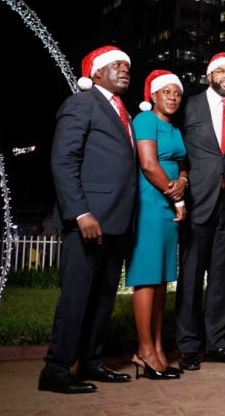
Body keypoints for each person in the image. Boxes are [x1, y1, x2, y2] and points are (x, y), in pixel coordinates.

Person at [39, 46, 137, 394]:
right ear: (96, 73)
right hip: (89, 219)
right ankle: (56, 370)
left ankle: (92, 362)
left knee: (103, 297)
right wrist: (80, 212)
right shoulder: (81, 103)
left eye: (126, 66)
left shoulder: (122, 111)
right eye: (116, 65)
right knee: (77, 297)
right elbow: (63, 160)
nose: (124, 70)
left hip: (118, 221)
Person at [177, 53, 225, 371]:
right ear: (210, 76)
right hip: (197, 199)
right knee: (191, 277)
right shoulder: (189, 106)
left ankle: (217, 343)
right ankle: (188, 346)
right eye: (220, 71)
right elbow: (176, 149)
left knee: (222, 277)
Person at [126, 70, 187, 379]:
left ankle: (158, 348)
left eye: (177, 93)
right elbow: (149, 165)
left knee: (162, 279)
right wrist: (177, 198)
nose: (173, 97)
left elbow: (181, 164)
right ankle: (144, 350)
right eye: (166, 92)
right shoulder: (145, 120)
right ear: (153, 95)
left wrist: (184, 180)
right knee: (147, 277)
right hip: (150, 203)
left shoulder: (174, 127)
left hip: (169, 205)